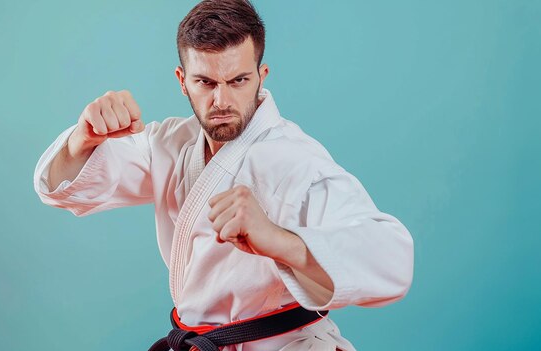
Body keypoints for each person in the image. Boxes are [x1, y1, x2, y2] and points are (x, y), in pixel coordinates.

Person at [33, 1, 414, 350]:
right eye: (206, 83)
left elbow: (393, 260)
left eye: (238, 81)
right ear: (182, 81)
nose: (221, 101)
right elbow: (70, 189)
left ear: (261, 75)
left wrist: (280, 240)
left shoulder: (297, 161)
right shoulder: (170, 142)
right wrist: (83, 140)